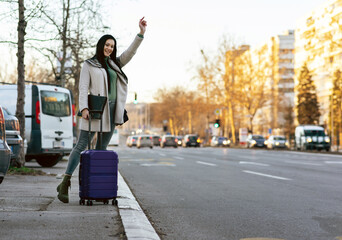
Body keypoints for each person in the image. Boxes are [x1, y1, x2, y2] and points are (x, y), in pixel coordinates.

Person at [57, 17, 147, 203]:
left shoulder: (114, 64)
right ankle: (65, 181)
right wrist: (84, 108)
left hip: (112, 112)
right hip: (95, 111)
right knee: (82, 145)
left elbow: (129, 53)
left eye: (112, 46)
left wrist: (140, 34)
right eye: (107, 45)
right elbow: (83, 88)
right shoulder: (89, 64)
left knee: (101, 149)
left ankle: (96, 189)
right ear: (101, 45)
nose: (109, 49)